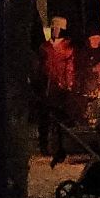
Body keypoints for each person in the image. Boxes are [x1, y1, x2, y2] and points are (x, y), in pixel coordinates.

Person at [39, 23, 76, 164]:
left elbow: (69, 68)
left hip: (60, 87)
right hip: (47, 86)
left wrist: (68, 84)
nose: (55, 30)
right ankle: (44, 145)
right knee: (45, 117)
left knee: (60, 118)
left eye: (57, 28)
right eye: (53, 28)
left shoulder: (66, 48)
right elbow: (41, 65)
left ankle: (60, 147)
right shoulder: (45, 47)